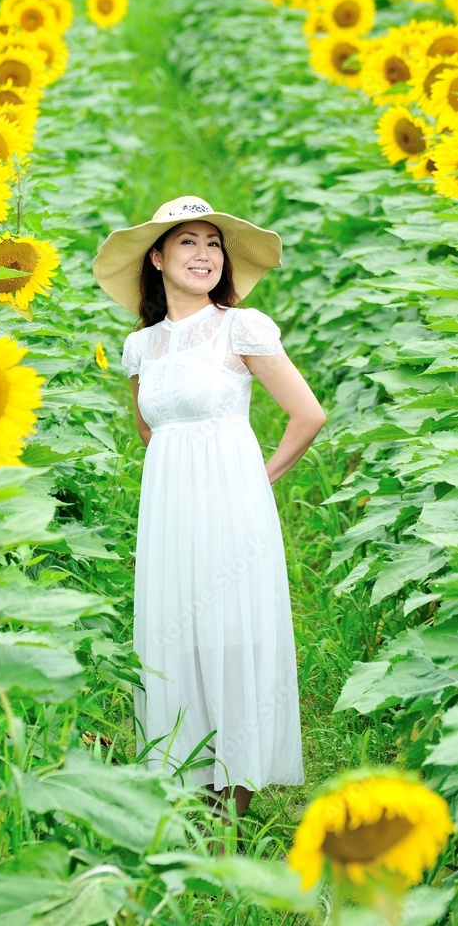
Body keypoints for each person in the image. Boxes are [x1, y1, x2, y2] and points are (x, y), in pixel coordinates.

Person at [92, 195, 326, 849]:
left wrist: (260, 477)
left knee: (232, 630)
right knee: (177, 631)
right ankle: (182, 786)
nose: (203, 255)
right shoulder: (139, 346)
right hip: (168, 504)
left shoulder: (240, 327)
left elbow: (306, 415)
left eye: (213, 244)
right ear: (158, 259)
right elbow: (149, 429)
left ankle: (232, 801)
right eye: (186, 242)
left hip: (232, 498)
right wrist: (180, 477)